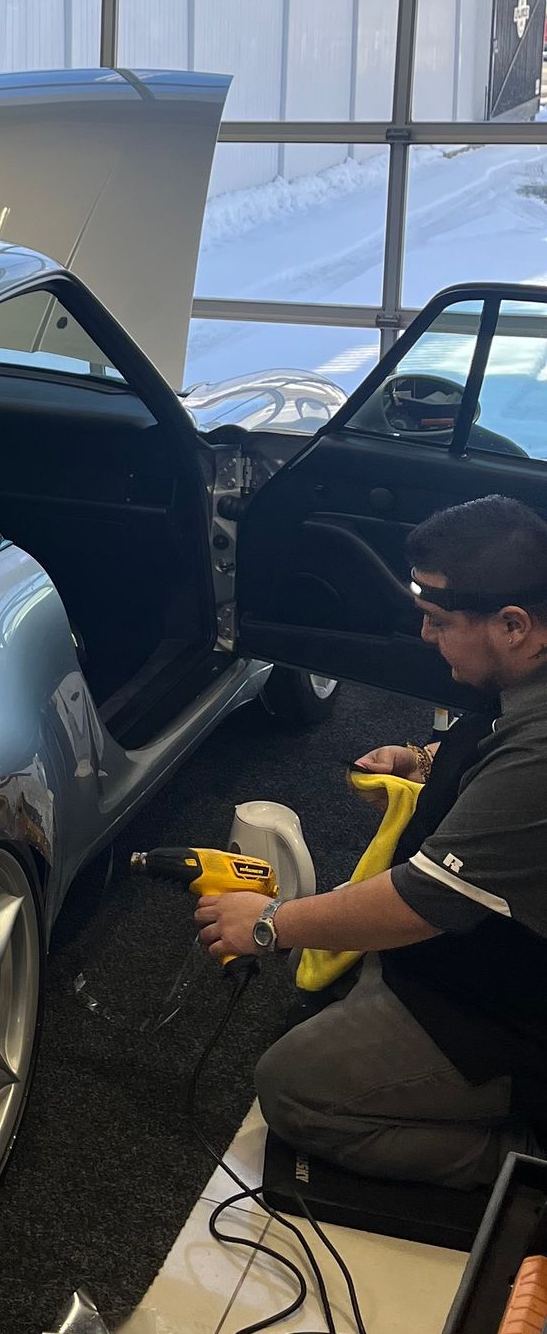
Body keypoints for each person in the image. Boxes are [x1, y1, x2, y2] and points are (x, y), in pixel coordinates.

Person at [197, 495, 547, 1190]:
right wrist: (429, 758)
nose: (424, 637)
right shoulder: (529, 687)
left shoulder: (541, 757)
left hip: (525, 1014)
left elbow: (422, 903)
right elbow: (495, 744)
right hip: (501, 956)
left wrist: (269, 926)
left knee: (294, 1088)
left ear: (514, 625)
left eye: (438, 622)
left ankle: (524, 1161)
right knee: (366, 986)